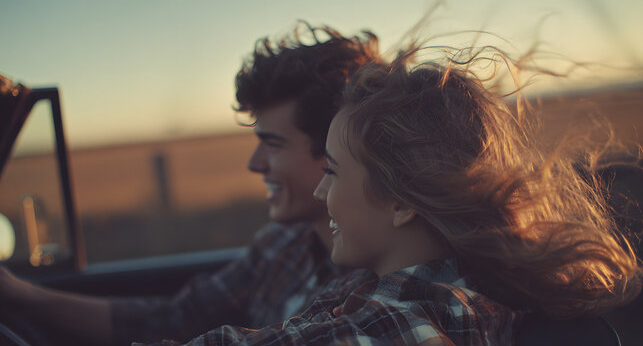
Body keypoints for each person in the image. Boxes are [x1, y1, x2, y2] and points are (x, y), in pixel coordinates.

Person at [133, 43, 641, 345]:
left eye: (332, 171)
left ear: (401, 202)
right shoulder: (383, 288)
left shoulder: (409, 319)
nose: (320, 188)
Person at [0, 22, 380, 345]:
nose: (254, 164)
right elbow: (177, 317)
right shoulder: (280, 245)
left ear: (336, 149)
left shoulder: (378, 287)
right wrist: (22, 296)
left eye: (273, 145)